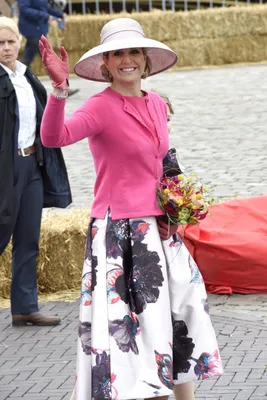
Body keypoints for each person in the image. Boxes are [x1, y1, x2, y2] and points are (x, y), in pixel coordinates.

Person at [39, 18, 223, 400]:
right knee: (145, 324)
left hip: (161, 230)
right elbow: (54, 137)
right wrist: (58, 91)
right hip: (121, 235)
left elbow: (163, 163)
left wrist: (179, 207)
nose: (127, 60)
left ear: (145, 58)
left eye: (133, 51)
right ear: (105, 62)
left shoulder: (156, 102)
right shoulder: (100, 107)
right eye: (117, 53)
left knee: (180, 313)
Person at [0, 16, 72, 326]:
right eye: (0, 43)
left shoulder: (28, 77)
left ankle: (25, 306)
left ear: (19, 43)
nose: (6, 48)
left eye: (10, 42)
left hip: (31, 164)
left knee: (28, 238)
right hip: (4, 167)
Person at [17, 0, 79, 96]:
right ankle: (62, 88)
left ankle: (14, 81)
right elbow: (25, 10)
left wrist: (58, 14)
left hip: (38, 28)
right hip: (32, 28)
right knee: (48, 59)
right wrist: (45, 16)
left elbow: (43, 8)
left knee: (28, 58)